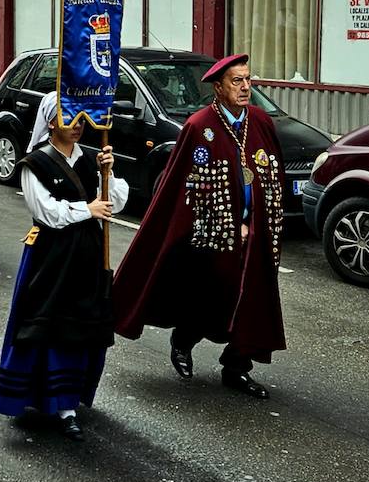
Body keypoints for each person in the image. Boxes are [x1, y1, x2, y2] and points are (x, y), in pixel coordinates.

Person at [113, 54, 287, 399]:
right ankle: (184, 339)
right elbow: (182, 187)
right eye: (237, 81)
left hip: (257, 234)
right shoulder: (199, 126)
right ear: (218, 88)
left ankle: (237, 367)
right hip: (212, 236)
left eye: (248, 80)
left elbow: (274, 174)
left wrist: (256, 222)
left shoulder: (260, 121)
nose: (245, 87)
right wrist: (228, 224)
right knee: (210, 295)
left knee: (252, 300)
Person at [0, 93, 127, 440]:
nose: (78, 125)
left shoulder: (92, 159)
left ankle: (71, 400)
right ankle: (52, 401)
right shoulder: (34, 163)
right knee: (50, 327)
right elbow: (46, 212)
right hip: (51, 259)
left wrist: (108, 174)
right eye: (69, 118)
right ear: (51, 122)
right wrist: (87, 209)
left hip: (87, 256)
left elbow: (116, 201)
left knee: (80, 328)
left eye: (81, 119)